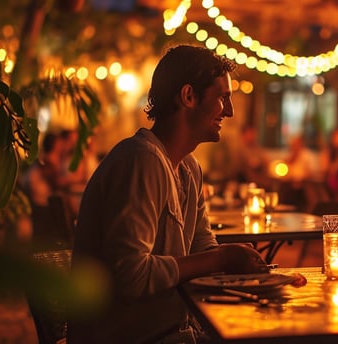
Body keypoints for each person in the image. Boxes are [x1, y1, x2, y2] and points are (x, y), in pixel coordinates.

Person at [68, 45, 269, 343]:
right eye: (223, 97)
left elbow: (202, 248)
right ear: (188, 96)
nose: (230, 111)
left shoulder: (188, 168)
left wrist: (239, 262)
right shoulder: (140, 160)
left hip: (172, 333)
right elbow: (130, 275)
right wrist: (220, 260)